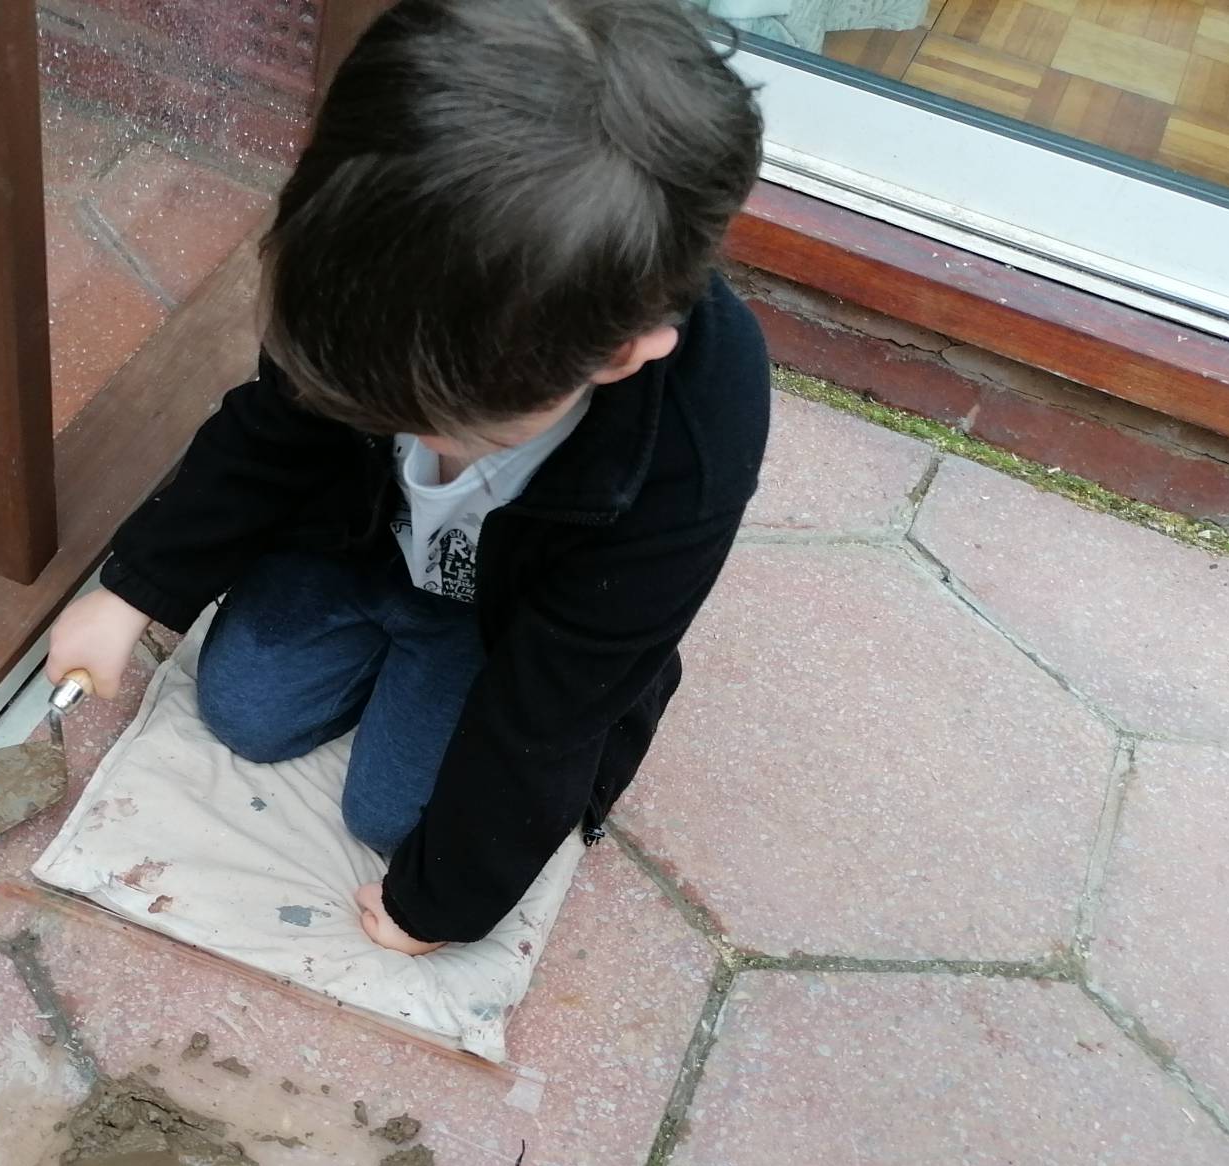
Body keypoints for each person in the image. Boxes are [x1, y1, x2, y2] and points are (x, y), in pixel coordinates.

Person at [46, 0, 770, 956]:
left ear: (627, 353)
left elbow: (554, 711)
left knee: (400, 820)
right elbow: (268, 436)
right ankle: (372, 636)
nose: (402, 430)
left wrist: (443, 905)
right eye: (364, 404)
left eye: (437, 418)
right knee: (244, 712)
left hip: (508, 619)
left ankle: (423, 681)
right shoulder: (375, 260)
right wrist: (134, 589)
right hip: (362, 544)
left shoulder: (692, 444)